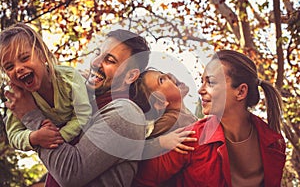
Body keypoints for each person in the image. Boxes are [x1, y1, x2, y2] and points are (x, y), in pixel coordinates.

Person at [4, 29, 151, 186]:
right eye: (97, 53)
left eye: (109, 60)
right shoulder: (86, 104)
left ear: (130, 76)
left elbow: (70, 173)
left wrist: (31, 115)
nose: (95, 62)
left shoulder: (125, 114)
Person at [133, 50, 286, 187]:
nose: (200, 90)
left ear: (241, 92)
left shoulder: (275, 144)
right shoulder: (190, 139)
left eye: (211, 82)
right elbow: (142, 180)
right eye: (202, 82)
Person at [0, 23, 92, 151]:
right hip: (54, 148)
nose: (18, 68)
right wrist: (33, 137)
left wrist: (59, 136)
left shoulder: (69, 78)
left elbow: (83, 114)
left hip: (86, 134)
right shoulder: (18, 98)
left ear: (42, 55)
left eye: (25, 58)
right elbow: (14, 135)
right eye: (10, 67)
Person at [130, 69, 198, 157]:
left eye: (162, 74)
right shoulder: (171, 119)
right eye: (161, 80)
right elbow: (137, 149)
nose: (168, 75)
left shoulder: (183, 115)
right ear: (160, 103)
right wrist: (161, 142)